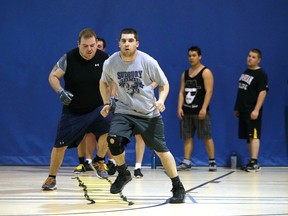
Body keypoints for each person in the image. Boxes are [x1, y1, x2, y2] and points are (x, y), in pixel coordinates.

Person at [99, 28, 186, 203]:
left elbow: (164, 84)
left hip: (148, 113)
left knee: (162, 151)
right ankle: (123, 174)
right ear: (119, 43)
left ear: (137, 43)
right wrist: (107, 102)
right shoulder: (111, 62)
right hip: (124, 111)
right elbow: (103, 82)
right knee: (113, 140)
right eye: (123, 41)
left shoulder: (148, 61)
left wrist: (161, 99)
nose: (126, 44)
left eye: (130, 41)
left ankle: (178, 187)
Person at [42, 28, 112, 191]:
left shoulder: (105, 58)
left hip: (98, 108)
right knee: (60, 146)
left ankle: (100, 160)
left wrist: (110, 99)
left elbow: (111, 80)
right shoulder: (69, 58)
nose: (90, 49)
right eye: (85, 46)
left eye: (93, 45)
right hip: (73, 111)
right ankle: (51, 178)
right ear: (78, 44)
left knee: (110, 128)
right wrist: (60, 91)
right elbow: (52, 76)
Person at [74, 37, 147, 178]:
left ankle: (126, 165)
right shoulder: (86, 63)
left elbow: (114, 80)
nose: (93, 49)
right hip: (95, 104)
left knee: (117, 135)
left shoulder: (114, 62)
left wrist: (112, 96)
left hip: (123, 104)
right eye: (92, 46)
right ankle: (89, 161)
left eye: (98, 46)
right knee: (93, 134)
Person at [177, 46, 217, 172]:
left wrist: (204, 108)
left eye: (194, 55)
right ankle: (187, 160)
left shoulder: (206, 72)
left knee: (206, 136)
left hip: (200, 111)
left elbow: (209, 91)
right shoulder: (185, 74)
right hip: (187, 110)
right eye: (189, 55)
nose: (191, 58)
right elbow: (181, 92)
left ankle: (212, 161)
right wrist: (179, 107)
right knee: (187, 137)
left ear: (199, 56)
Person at [234, 48, 268, 172]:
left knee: (254, 135)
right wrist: (237, 108)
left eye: (253, 57)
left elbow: (262, 92)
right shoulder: (246, 72)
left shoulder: (261, 74)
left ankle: (255, 162)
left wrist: (256, 110)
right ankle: (251, 160)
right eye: (249, 56)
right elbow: (242, 91)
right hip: (243, 110)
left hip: (252, 110)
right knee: (248, 137)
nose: (250, 58)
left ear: (259, 60)